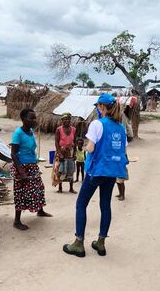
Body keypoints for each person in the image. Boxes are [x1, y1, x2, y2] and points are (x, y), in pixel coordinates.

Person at [63, 94, 127, 258]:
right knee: (105, 205)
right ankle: (101, 242)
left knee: (81, 204)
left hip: (96, 171)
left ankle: (78, 243)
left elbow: (91, 148)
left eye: (98, 106)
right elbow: (122, 150)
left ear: (102, 107)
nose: (97, 109)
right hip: (112, 172)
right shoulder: (121, 128)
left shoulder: (97, 124)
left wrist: (84, 147)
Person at [10, 109, 52, 230]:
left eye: (34, 118)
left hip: (32, 165)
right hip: (22, 167)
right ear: (23, 119)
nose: (34, 120)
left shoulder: (31, 131)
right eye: (31, 118)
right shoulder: (18, 133)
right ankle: (17, 221)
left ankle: (40, 210)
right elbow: (13, 154)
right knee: (21, 193)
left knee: (39, 188)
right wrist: (21, 171)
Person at [52, 113, 77, 193]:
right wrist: (60, 154)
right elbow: (56, 142)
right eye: (65, 119)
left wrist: (75, 153)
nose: (67, 121)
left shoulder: (73, 129)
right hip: (61, 152)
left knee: (71, 170)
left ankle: (71, 188)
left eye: (68, 119)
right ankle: (60, 188)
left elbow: (75, 142)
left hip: (70, 152)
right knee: (60, 170)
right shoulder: (59, 129)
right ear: (62, 120)